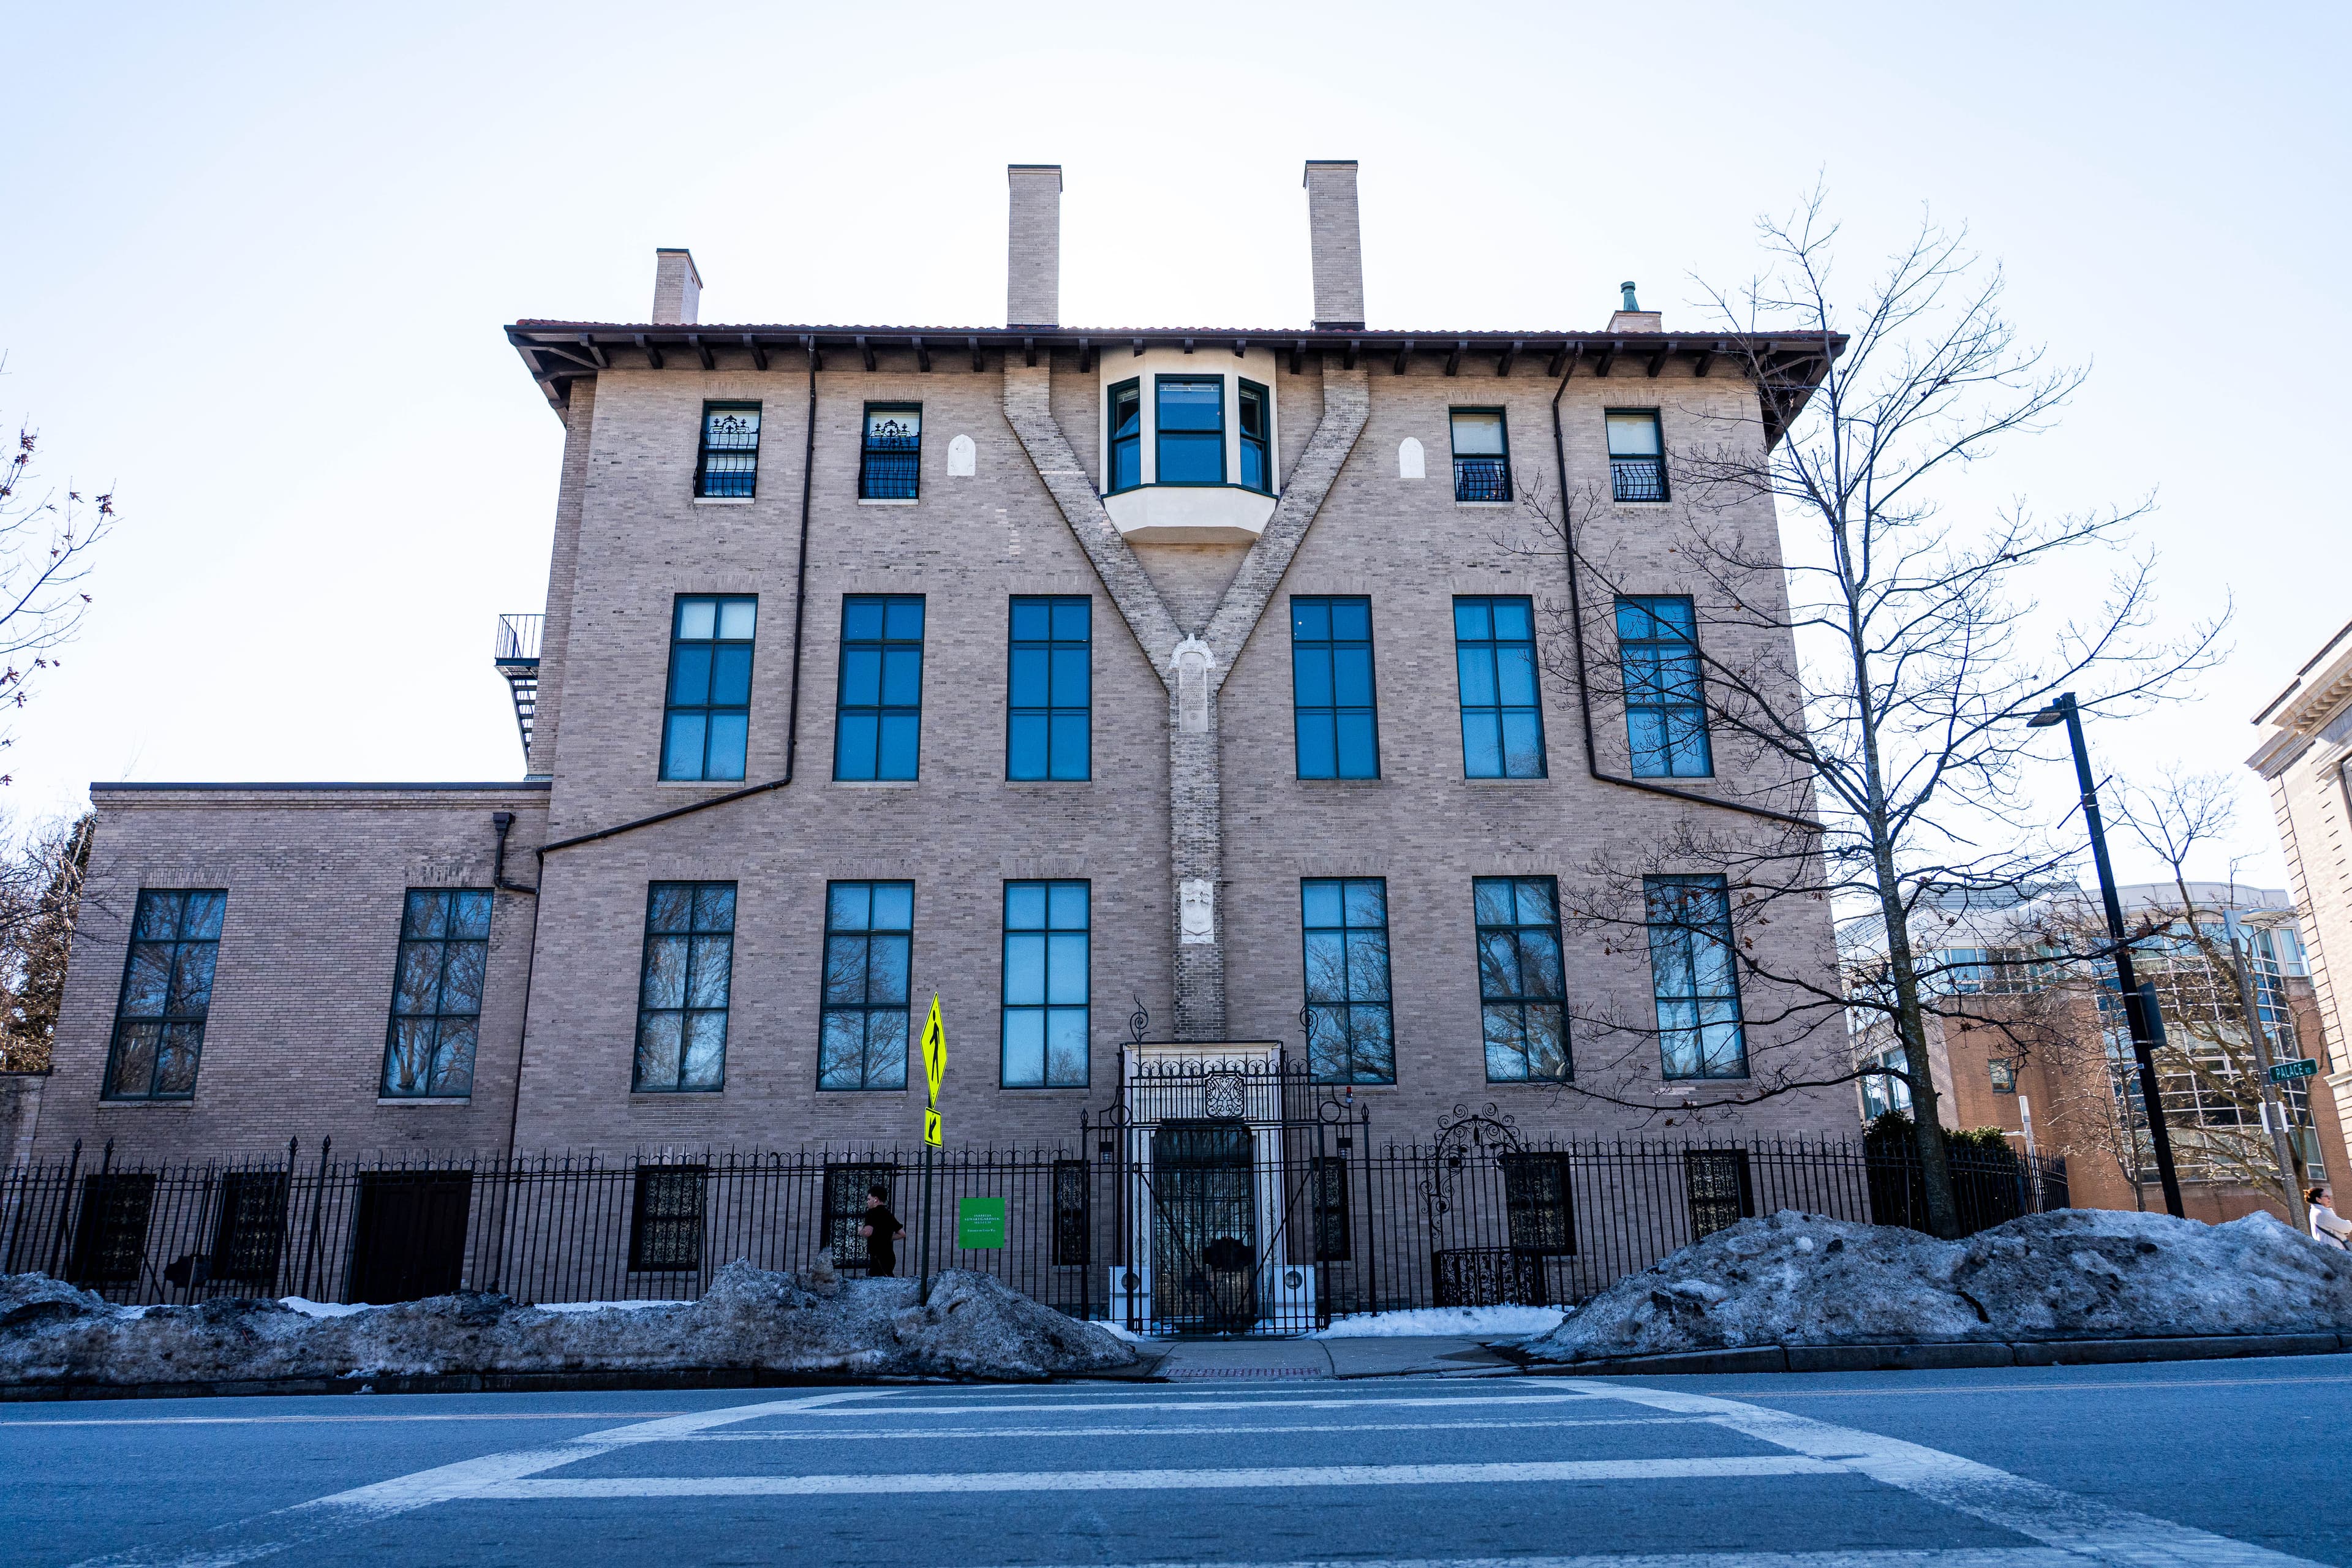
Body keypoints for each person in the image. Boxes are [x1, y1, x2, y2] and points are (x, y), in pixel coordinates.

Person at [858, 1184, 905, 1276]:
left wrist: (860, 1231)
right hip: (890, 1256)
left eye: (869, 1199)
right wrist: (887, 1237)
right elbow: (902, 1234)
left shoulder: (871, 1213)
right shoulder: (888, 1214)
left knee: (877, 1284)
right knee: (887, 1280)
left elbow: (868, 1233)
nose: (867, 1202)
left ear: (876, 1199)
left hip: (878, 1257)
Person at [2308, 1185, 2352, 1251]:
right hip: (2336, 1250)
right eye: (2326, 1196)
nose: (2329, 1198)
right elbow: (2347, 1227)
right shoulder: (2322, 1213)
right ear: (2318, 1199)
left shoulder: (2316, 1211)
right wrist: (2348, 1223)